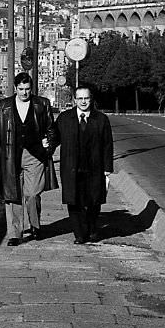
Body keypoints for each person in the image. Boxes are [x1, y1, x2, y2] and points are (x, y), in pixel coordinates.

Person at [0, 72, 57, 246]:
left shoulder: (42, 104)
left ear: (32, 89)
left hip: (35, 155)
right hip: (10, 156)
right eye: (21, 89)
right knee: (13, 195)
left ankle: (35, 225)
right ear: (15, 88)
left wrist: (48, 147)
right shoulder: (2, 106)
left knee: (33, 193)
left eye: (27, 89)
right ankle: (14, 233)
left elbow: (52, 130)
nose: (24, 93)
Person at [52, 84, 113, 244]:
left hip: (95, 168)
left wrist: (108, 168)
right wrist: (43, 148)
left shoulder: (101, 119)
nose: (83, 102)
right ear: (74, 100)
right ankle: (79, 234)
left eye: (86, 98)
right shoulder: (65, 118)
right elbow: (54, 138)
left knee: (94, 201)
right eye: (80, 99)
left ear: (91, 99)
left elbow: (107, 144)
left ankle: (92, 229)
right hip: (71, 167)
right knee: (74, 201)